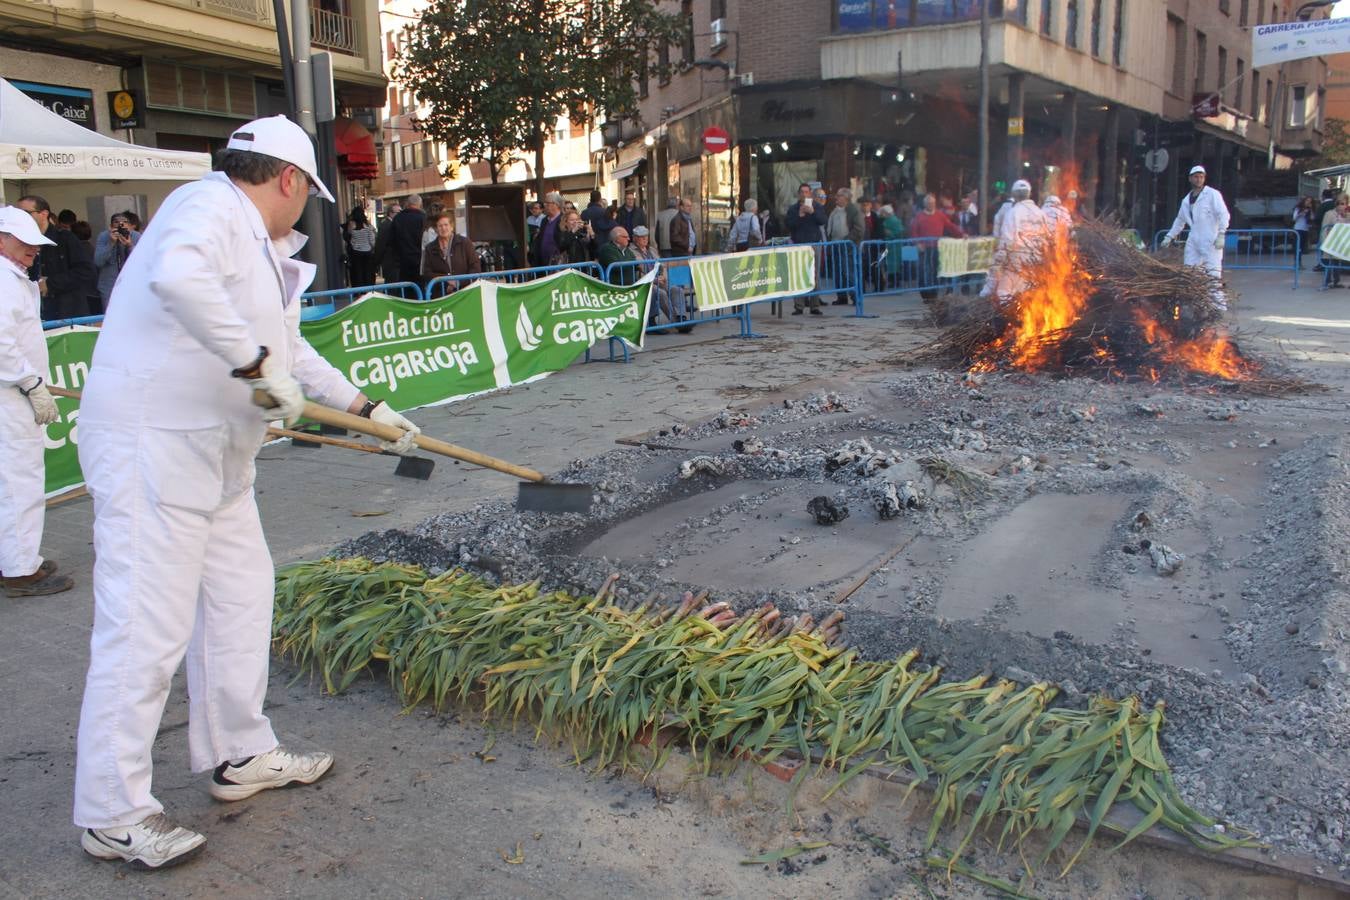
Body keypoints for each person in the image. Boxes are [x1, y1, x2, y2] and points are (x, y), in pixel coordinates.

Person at [72, 114, 423, 870]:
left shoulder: (265, 252)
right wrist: (254, 365)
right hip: (153, 446)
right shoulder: (209, 207)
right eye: (309, 194)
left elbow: (292, 354)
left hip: (220, 458)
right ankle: (111, 810)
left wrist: (368, 411)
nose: (306, 209)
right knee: (145, 629)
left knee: (242, 598)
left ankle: (240, 754)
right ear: (290, 179)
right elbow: (180, 281)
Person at [0, 207, 72, 598]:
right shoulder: (4, 280)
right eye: (23, 242)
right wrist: (30, 382)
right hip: (9, 393)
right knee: (19, 481)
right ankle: (19, 568)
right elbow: (1, 343)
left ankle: (14, 557)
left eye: (34, 243)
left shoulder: (12, 277)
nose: (32, 249)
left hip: (12, 390)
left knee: (11, 482)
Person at [16, 195, 97, 321]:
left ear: (44, 214)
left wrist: (49, 283)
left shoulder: (66, 238)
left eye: (26, 212)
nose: (20, 216)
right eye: (18, 213)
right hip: (35, 315)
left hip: (68, 315)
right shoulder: (19, 242)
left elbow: (86, 271)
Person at [1161, 165, 1230, 309]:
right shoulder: (1186, 200)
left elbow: (1223, 214)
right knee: (1190, 272)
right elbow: (1180, 220)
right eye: (1196, 177)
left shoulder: (1212, 194)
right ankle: (1197, 303)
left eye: (1201, 177)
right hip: (1194, 238)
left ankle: (1218, 306)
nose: (1199, 179)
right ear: (1190, 179)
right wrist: (1169, 236)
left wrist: (1222, 233)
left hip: (1210, 239)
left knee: (1213, 273)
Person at [985, 179, 1048, 304]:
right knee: (1030, 292)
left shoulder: (1013, 212)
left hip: (1017, 259)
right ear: (1029, 194)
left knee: (1004, 291)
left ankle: (1010, 319)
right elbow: (1047, 239)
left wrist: (998, 262)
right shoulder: (1041, 213)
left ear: (1013, 194)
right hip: (1036, 260)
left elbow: (1007, 241)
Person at [910, 192, 965, 300]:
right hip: (924, 248)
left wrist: (962, 234)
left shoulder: (940, 215)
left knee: (935, 270)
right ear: (925, 204)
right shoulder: (919, 216)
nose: (931, 205)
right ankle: (925, 294)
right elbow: (913, 231)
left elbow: (950, 226)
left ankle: (933, 294)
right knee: (924, 270)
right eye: (929, 203)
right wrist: (917, 243)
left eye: (933, 203)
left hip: (937, 247)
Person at [421, 210, 481, 295]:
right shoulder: (430, 248)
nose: (443, 228)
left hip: (465, 293)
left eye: (446, 225)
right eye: (440, 226)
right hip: (441, 295)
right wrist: (446, 281)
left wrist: (458, 283)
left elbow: (475, 268)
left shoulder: (465, 243)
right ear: (436, 229)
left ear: (452, 227)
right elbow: (427, 273)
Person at [630, 225, 679, 326]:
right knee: (660, 293)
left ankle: (681, 316)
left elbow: (662, 265)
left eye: (646, 236)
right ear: (634, 238)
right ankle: (677, 322)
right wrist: (655, 279)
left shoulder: (652, 250)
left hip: (658, 279)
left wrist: (664, 276)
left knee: (676, 289)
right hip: (645, 282)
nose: (645, 239)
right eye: (641, 237)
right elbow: (640, 269)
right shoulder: (631, 251)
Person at [93, 212, 140, 312]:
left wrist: (130, 245)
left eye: (124, 222)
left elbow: (141, 261)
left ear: (130, 225)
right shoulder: (104, 236)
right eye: (116, 222)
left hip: (132, 285)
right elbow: (98, 261)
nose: (121, 225)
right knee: (110, 316)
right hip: (109, 286)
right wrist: (111, 243)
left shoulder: (136, 236)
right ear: (110, 226)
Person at [825, 188, 865, 306]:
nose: (836, 198)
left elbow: (859, 229)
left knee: (849, 273)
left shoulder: (854, 211)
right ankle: (841, 297)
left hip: (848, 247)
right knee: (838, 273)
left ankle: (856, 297)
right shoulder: (835, 211)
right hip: (836, 245)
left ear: (846, 198)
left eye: (839, 196)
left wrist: (846, 241)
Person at [391, 193, 426, 284]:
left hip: (403, 262)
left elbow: (392, 240)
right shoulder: (423, 218)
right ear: (420, 204)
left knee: (405, 290)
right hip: (420, 261)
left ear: (408, 204)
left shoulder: (397, 218)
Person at [1319, 194, 1350, 287]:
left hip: (1340, 243)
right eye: (1340, 203)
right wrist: (1324, 242)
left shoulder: (1347, 215)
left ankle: (1336, 281)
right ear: (1336, 204)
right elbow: (1324, 228)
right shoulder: (1329, 214)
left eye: (1344, 204)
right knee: (1328, 261)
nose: (1342, 206)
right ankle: (1327, 281)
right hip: (1329, 242)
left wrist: (1346, 216)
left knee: (1337, 261)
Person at [529, 193, 565, 266]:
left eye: (547, 203)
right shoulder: (544, 220)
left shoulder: (563, 220)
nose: (545, 205)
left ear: (556, 204)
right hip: (542, 263)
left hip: (557, 263)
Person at [345, 207, 377, 288]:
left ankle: (360, 290)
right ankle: (368, 288)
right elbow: (372, 239)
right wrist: (372, 248)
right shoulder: (368, 225)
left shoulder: (351, 224)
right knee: (368, 271)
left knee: (358, 271)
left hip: (356, 252)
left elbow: (349, 236)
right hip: (367, 251)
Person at [370, 202, 401, 283]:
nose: (400, 214)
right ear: (391, 213)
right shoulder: (386, 225)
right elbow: (381, 245)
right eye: (398, 212)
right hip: (390, 261)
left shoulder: (395, 224)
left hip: (394, 262)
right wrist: (377, 262)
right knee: (392, 284)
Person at [878, 203, 906, 290]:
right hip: (893, 245)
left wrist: (890, 234)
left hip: (893, 245)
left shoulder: (891, 220)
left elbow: (899, 231)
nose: (882, 214)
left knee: (893, 265)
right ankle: (894, 281)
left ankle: (894, 282)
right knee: (893, 265)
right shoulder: (893, 219)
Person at [1292, 195, 1315, 261]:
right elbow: (1294, 218)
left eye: (1310, 202)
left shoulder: (1310, 210)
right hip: (1298, 229)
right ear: (1304, 201)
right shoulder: (1298, 208)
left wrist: (1310, 210)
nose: (1308, 203)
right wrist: (1301, 213)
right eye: (1307, 201)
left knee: (1302, 247)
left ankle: (1299, 261)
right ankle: (1297, 262)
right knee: (1297, 246)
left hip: (1305, 229)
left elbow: (1312, 218)